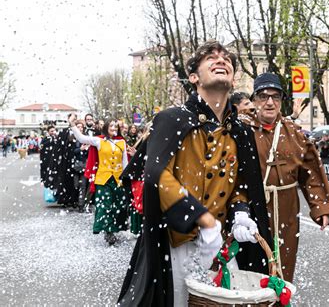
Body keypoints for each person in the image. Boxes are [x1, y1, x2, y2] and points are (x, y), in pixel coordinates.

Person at [118, 41, 270, 306]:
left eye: (227, 60)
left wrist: (240, 214)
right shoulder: (171, 119)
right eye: (210, 57)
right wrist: (202, 219)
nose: (220, 60)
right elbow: (157, 176)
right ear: (194, 77)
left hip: (219, 247)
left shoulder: (242, 132)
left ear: (233, 79)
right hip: (175, 244)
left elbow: (241, 186)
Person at [239, 72, 329, 282]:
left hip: (285, 209)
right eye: (263, 96)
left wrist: (321, 206)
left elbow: (311, 172)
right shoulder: (241, 130)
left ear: (281, 101)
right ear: (254, 99)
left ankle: (278, 300)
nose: (269, 102)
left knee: (283, 264)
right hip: (251, 207)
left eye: (275, 97)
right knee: (250, 267)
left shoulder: (293, 133)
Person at [69, 115, 128, 245]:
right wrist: (72, 125)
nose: (114, 128)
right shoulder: (99, 141)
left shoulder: (122, 142)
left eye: (116, 126)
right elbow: (81, 138)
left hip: (118, 179)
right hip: (103, 179)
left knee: (118, 206)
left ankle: (114, 227)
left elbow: (125, 163)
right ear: (106, 128)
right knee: (104, 206)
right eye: (111, 126)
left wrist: (126, 178)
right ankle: (109, 231)